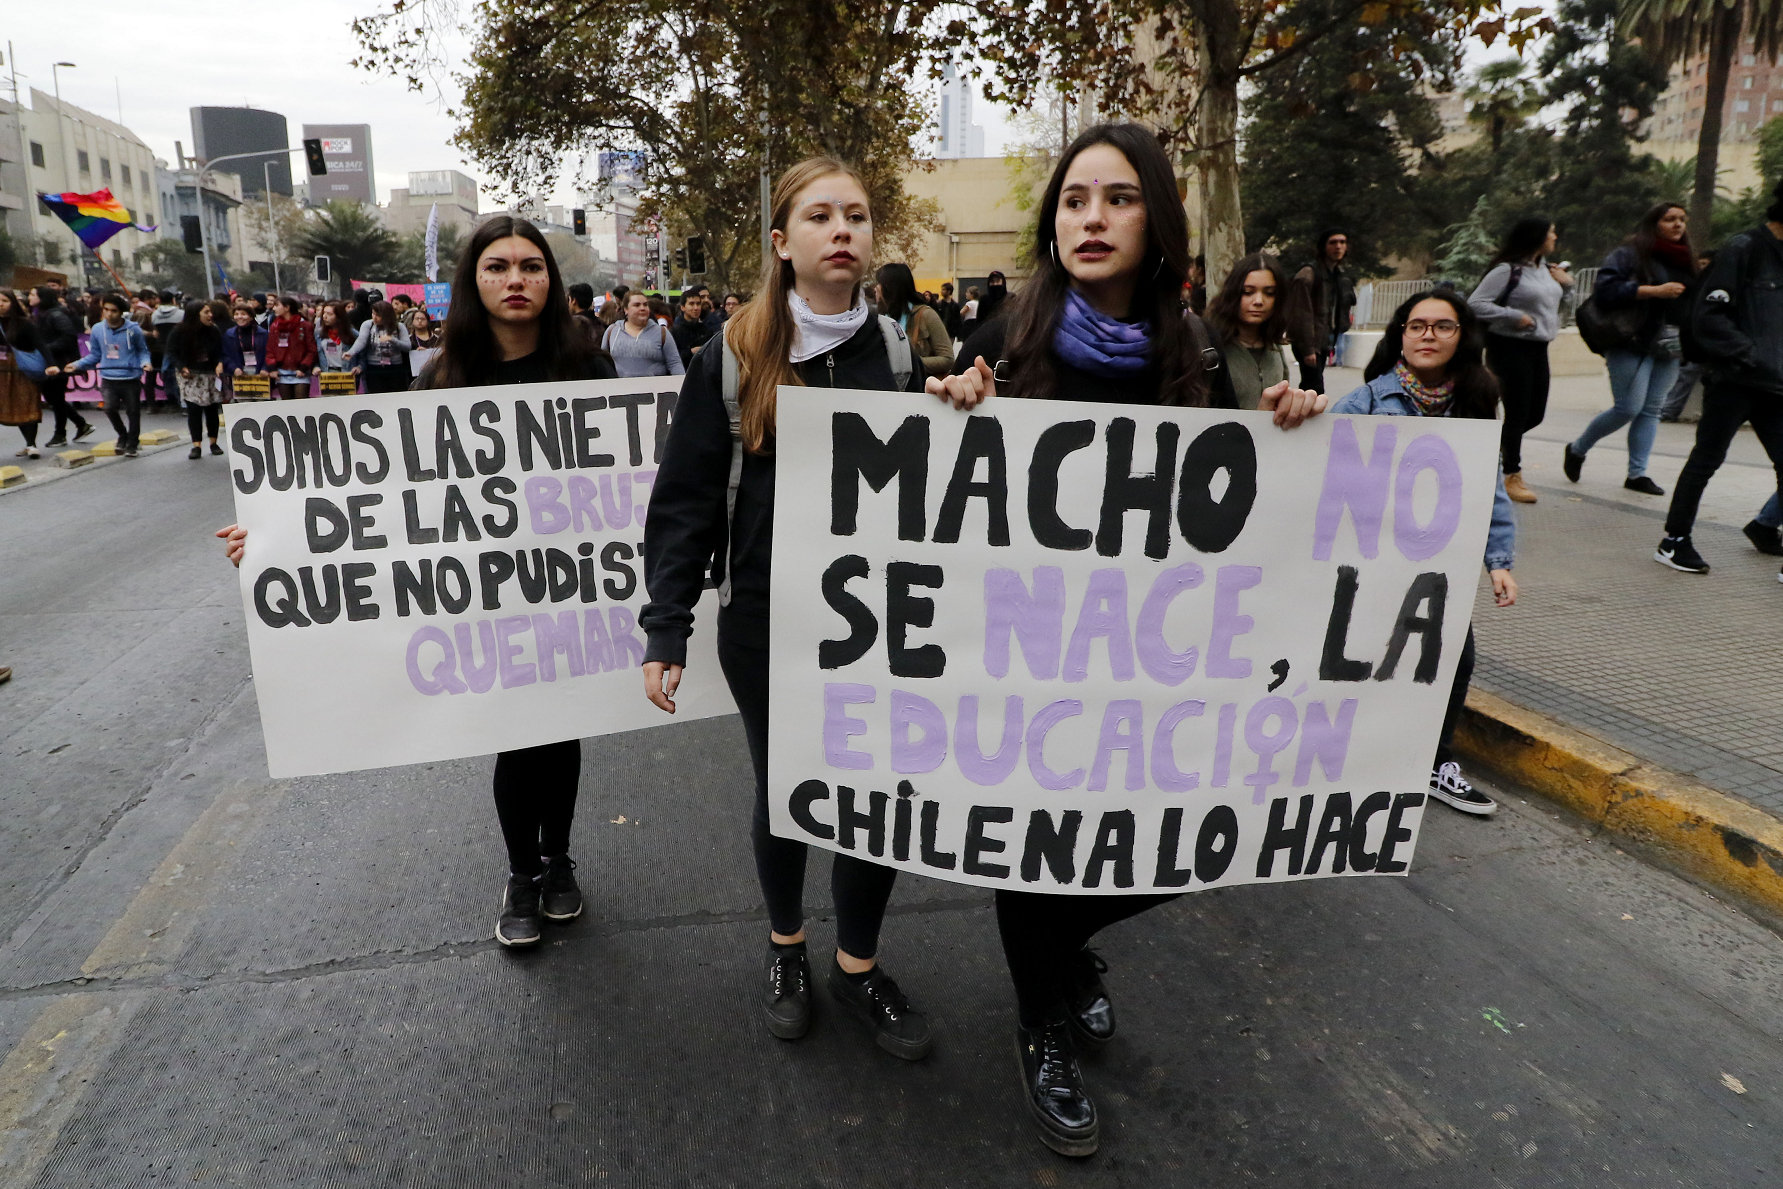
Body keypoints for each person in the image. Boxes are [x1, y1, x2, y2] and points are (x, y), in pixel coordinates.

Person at [931, 123, 1325, 1159]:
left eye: (1114, 198)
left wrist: (1301, 422)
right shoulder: (1000, 338)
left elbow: (1256, 492)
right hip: (1026, 654)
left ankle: (1067, 956)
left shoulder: (1192, 346)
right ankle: (1041, 1023)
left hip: (1151, 657)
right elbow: (924, 499)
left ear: (1156, 220)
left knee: (1176, 846)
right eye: (1072, 200)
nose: (1089, 218)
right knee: (1029, 853)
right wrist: (951, 408)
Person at [219, 216, 617, 948]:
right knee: (512, 734)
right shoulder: (438, 378)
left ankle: (559, 859)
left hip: (565, 582)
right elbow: (384, 502)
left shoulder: (588, 368)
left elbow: (629, 480)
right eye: (498, 267)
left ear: (551, 282)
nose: (517, 279)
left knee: (559, 728)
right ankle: (522, 871)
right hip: (482, 585)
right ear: (473, 282)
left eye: (531, 266)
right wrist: (273, 538)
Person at [641, 156, 935, 1065]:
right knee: (788, 791)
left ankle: (857, 963)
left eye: (855, 215)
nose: (840, 230)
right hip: (766, 619)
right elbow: (686, 497)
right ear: (783, 243)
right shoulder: (729, 353)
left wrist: (962, 402)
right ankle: (786, 951)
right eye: (819, 216)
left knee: (872, 793)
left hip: (880, 623)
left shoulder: (896, 351)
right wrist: (668, 623)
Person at [1331, 286, 1518, 809]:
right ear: (1401, 335)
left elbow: (1490, 490)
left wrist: (1498, 562)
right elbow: (1322, 474)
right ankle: (1349, 758)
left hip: (1437, 568)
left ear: (1462, 337)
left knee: (1454, 661)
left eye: (1442, 326)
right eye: (1417, 326)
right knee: (1363, 663)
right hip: (1371, 565)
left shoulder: (1477, 404)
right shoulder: (1366, 402)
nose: (1428, 335)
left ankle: (1432, 763)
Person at [1653, 182, 1783, 578]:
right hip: (1736, 378)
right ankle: (1674, 541)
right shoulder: (1744, 248)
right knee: (1706, 460)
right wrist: (1750, 355)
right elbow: (1708, 317)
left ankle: (1763, 527)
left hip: (1776, 385)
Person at [1565, 203, 1696, 498]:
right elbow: (1606, 290)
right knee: (1627, 407)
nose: (1678, 225)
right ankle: (1577, 449)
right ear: (1654, 223)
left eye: (1682, 220)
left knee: (1651, 410)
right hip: (1631, 340)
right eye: (1669, 219)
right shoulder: (1630, 254)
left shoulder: (1686, 259)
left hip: (1671, 343)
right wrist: (1654, 291)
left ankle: (1637, 474)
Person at [1469, 217, 1574, 504]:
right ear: (1536, 237)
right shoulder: (1507, 270)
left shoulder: (1546, 271)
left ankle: (1490, 449)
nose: (1555, 237)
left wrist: (1567, 286)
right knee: (1516, 412)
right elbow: (1475, 304)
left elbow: (1554, 307)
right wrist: (1513, 316)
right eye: (1551, 232)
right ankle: (1511, 474)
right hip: (1508, 347)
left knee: (1534, 414)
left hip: (1539, 347)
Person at [51, 290, 152, 457]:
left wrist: (145, 363)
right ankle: (122, 436)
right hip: (108, 378)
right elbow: (95, 355)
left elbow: (143, 351)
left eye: (114, 311)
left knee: (133, 411)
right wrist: (76, 365)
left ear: (121, 312)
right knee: (109, 408)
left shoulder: (133, 330)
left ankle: (133, 443)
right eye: (106, 310)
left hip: (130, 377)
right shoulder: (97, 329)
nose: (109, 314)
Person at [1204, 252, 1310, 409]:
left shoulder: (1275, 349)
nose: (1258, 301)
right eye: (1248, 292)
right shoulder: (1210, 347)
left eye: (1269, 293)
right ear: (1233, 293)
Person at [1291, 229, 1356, 392]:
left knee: (1310, 386)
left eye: (1342, 242)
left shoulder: (1338, 275)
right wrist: (1308, 349)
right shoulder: (1308, 274)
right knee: (1314, 388)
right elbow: (1301, 314)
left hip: (1325, 341)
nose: (1338, 247)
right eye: (1333, 242)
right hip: (1310, 343)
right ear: (1323, 247)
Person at [31, 286, 92, 446]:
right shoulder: (40, 314)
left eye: (32, 294)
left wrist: (45, 348)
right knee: (54, 398)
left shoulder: (57, 315)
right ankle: (80, 424)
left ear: (42, 298)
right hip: (49, 361)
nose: (29, 297)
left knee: (56, 398)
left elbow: (68, 337)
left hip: (59, 362)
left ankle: (61, 434)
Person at [166, 300, 225, 459]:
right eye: (206, 312)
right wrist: (181, 366)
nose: (210, 315)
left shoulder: (214, 330)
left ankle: (213, 442)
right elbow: (171, 353)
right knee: (194, 410)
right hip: (190, 375)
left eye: (210, 312)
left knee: (212, 409)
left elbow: (221, 350)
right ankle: (196, 445)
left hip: (210, 374)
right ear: (195, 314)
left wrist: (220, 363)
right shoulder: (179, 331)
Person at [875, 262, 954, 376]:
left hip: (919, 389)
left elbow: (947, 359)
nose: (876, 288)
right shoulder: (879, 319)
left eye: (879, 283)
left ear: (890, 287)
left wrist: (908, 363)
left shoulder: (926, 315)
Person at [0, 290, 44, 458]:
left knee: (27, 402)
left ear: (12, 303)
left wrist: (51, 364)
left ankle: (31, 444)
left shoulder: (23, 323)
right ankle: (28, 443)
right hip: (2, 370)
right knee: (8, 404)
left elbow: (40, 345)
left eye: (4, 300)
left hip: (22, 369)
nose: (1, 304)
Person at [602, 290, 684, 377]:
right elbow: (603, 362)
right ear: (626, 309)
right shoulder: (612, 331)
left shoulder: (662, 333)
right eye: (636, 305)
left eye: (645, 304)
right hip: (621, 389)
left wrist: (681, 385)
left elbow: (674, 363)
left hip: (654, 388)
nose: (642, 308)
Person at [345, 300, 414, 393]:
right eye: (373, 314)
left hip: (395, 367)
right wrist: (351, 352)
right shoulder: (367, 325)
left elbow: (407, 346)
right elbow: (361, 340)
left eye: (378, 315)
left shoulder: (399, 326)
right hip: (374, 368)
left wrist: (392, 340)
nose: (374, 318)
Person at [266, 296, 318, 400]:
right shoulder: (274, 326)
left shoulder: (305, 325)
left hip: (300, 372)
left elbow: (311, 349)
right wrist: (272, 367)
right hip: (282, 372)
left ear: (287, 308)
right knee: (287, 405)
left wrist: (304, 367)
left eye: (277, 305)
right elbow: (270, 348)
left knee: (300, 404)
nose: (274, 308)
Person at [222, 302, 269, 404]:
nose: (240, 317)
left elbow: (269, 353)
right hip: (240, 375)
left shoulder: (263, 333)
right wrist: (234, 368)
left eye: (243, 314)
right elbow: (225, 355)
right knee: (244, 407)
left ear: (251, 316)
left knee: (262, 406)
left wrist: (265, 368)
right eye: (236, 314)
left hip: (260, 374)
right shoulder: (229, 334)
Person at [151, 289, 185, 410]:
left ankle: (172, 400)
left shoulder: (155, 314)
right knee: (180, 373)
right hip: (180, 348)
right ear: (173, 300)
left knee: (167, 373)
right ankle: (183, 402)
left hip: (164, 347)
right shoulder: (181, 313)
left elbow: (155, 332)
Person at [670, 291, 717, 365]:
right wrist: (691, 352)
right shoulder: (675, 332)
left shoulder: (706, 330)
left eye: (698, 304)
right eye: (691, 304)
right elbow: (672, 358)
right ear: (683, 307)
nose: (696, 308)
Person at [314, 301, 353, 381]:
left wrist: (359, 367)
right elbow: (314, 353)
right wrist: (315, 367)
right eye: (324, 313)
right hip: (327, 372)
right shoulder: (318, 333)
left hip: (347, 372)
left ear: (338, 316)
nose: (325, 316)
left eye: (329, 314)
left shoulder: (351, 333)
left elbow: (362, 353)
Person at [406, 307, 442, 377]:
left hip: (434, 373)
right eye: (417, 319)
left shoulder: (437, 339)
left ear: (427, 321)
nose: (419, 321)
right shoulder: (408, 339)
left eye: (422, 319)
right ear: (412, 321)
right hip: (415, 374)